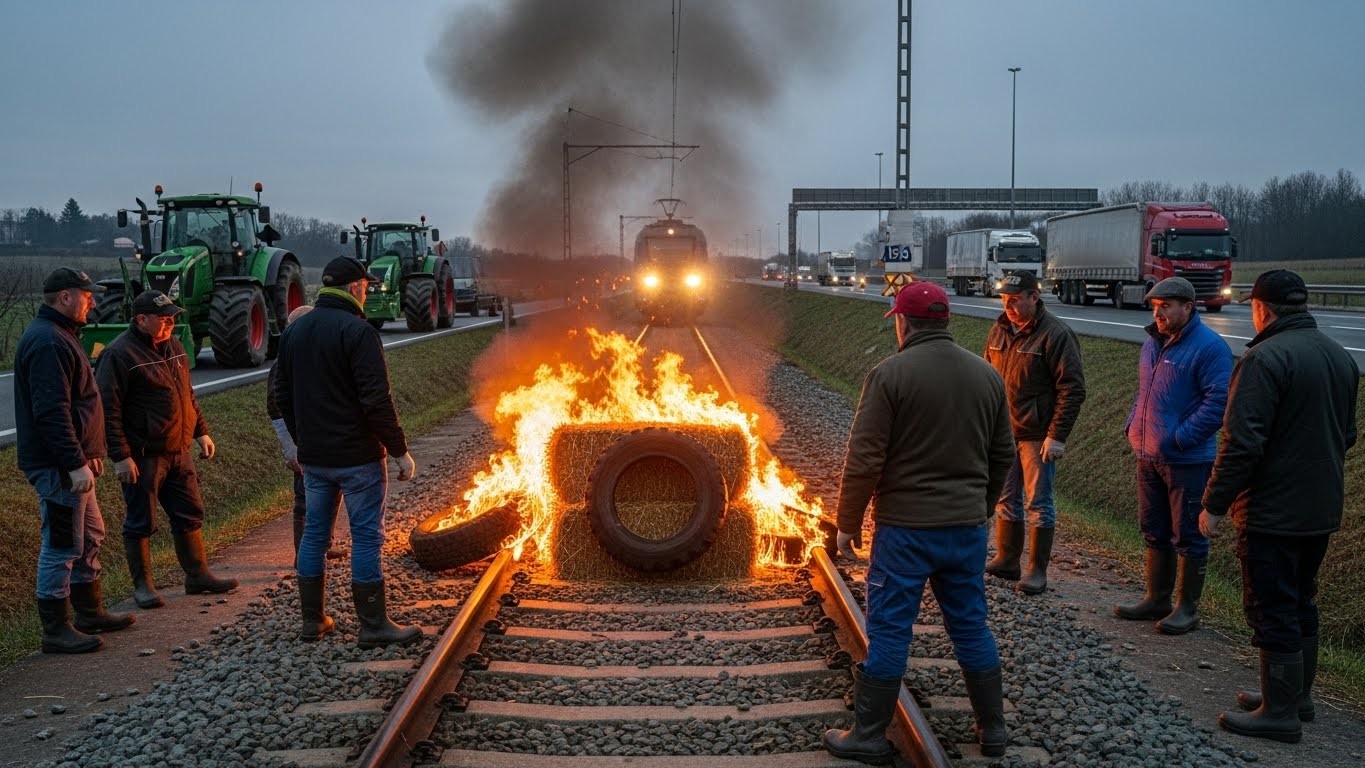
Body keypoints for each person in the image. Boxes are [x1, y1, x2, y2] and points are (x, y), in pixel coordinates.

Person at [824, 282, 1015, 763]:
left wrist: (847, 521)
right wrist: (982, 506)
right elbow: (1003, 455)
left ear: (903, 324)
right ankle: (993, 731)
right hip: (965, 529)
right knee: (971, 626)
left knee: (889, 630)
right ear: (945, 321)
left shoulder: (889, 375)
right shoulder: (987, 376)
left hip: (906, 530)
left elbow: (865, 458)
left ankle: (868, 735)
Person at [1200, 269, 1357, 744]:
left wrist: (1214, 503)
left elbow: (1241, 442)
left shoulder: (1264, 359)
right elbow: (1346, 435)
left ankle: (1279, 714)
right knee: (1301, 599)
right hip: (1320, 506)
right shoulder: (1340, 357)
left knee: (1271, 607)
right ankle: (1296, 698)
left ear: (1262, 308)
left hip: (1272, 511)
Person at [275, 256, 420, 648]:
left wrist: (302, 440)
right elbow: (376, 401)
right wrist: (399, 450)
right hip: (358, 460)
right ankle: (373, 626)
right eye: (366, 286)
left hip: (315, 461)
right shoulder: (359, 332)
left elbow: (280, 396)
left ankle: (312, 621)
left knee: (314, 536)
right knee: (367, 537)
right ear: (355, 287)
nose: (367, 292)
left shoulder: (295, 331)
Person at [15, 268, 135, 653]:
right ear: (65, 297)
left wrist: (87, 455)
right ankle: (56, 628)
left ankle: (90, 611)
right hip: (57, 466)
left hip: (72, 461)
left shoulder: (60, 336)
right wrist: (73, 462)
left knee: (90, 535)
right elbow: (51, 411)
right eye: (87, 295)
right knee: (63, 542)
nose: (93, 302)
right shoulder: (49, 342)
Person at [97, 290, 238, 609]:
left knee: (189, 512)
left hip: (179, 450)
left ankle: (197, 575)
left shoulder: (174, 346)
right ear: (141, 320)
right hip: (143, 455)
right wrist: (120, 455)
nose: (170, 324)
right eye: (163, 319)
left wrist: (201, 432)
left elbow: (186, 392)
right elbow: (108, 409)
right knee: (141, 519)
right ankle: (143, 586)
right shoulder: (119, 355)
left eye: (173, 318)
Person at [1114, 277, 1232, 634]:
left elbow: (1218, 403)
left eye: (1166, 305)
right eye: (1154, 306)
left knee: (1188, 534)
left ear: (1188, 307)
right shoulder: (1152, 344)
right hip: (1147, 454)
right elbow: (1144, 391)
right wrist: (1134, 424)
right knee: (1154, 529)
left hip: (1188, 460)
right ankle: (1157, 598)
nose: (1159, 311)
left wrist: (1180, 440)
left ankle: (1187, 609)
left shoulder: (1210, 348)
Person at [983, 270, 1086, 595]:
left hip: (1037, 435)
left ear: (1034, 296)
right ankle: (1007, 559)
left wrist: (1057, 435)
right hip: (1003, 432)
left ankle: (1037, 571)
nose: (1009, 306)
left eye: (1015, 299)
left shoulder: (1056, 335)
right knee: (1004, 497)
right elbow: (987, 376)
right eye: (1004, 299)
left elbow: (1072, 388)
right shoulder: (999, 331)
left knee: (1038, 502)